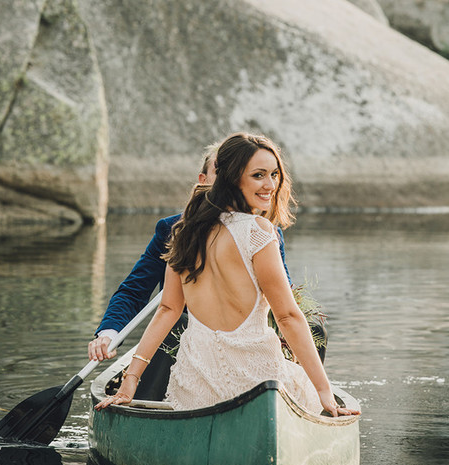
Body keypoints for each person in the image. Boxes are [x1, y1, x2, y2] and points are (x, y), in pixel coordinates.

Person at [96, 132, 359, 418]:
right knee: (301, 381)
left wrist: (129, 381)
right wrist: (323, 391)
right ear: (233, 178)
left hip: (196, 381)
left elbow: (167, 309)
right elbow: (287, 317)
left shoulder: (183, 232)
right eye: (259, 175)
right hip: (255, 376)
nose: (270, 184)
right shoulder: (260, 231)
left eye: (274, 174)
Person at [88, 143, 291, 363]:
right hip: (184, 339)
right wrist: (109, 333)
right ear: (203, 181)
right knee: (179, 324)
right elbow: (135, 291)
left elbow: (285, 294)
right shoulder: (174, 229)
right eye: (221, 172)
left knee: (314, 329)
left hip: (245, 340)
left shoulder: (266, 233)